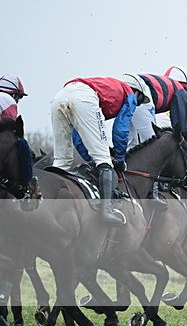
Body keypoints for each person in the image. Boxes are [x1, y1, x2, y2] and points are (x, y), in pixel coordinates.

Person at [50, 75, 151, 225]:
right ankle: (107, 210)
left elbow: (78, 136)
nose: (136, 105)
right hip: (84, 98)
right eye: (140, 101)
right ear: (137, 92)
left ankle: (48, 203)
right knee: (104, 160)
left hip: (59, 97)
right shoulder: (130, 94)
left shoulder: (109, 89)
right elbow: (121, 129)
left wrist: (90, 156)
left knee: (62, 160)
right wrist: (119, 158)